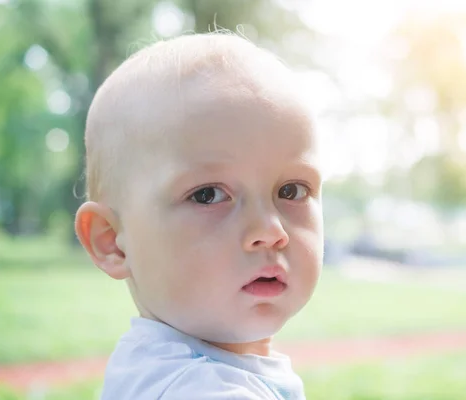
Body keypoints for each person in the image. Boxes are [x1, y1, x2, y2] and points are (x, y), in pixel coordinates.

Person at [74, 31, 324, 399]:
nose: (270, 230)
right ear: (112, 240)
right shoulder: (204, 391)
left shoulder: (151, 365)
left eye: (292, 191)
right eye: (208, 195)